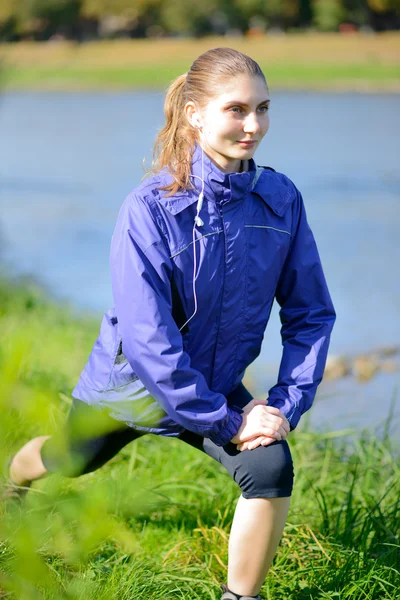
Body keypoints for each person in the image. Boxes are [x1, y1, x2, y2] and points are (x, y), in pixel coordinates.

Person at [6, 48, 336, 600]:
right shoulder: (149, 208)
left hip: (213, 382)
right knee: (68, 460)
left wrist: (281, 405)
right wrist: (227, 422)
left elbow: (311, 313)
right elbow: (146, 340)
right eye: (236, 109)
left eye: (263, 108)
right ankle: (13, 484)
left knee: (271, 467)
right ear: (194, 114)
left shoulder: (281, 201)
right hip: (131, 388)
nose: (253, 125)